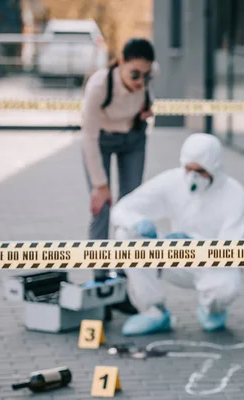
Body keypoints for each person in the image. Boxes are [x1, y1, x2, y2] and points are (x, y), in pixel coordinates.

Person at [109, 133, 244, 336]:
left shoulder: (235, 195)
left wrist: (193, 242)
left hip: (213, 265)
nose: (193, 177)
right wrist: (137, 222)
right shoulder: (172, 181)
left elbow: (229, 248)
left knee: (227, 286)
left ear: (215, 168)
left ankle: (213, 310)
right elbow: (123, 209)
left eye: (200, 171)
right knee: (126, 235)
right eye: (189, 169)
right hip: (175, 257)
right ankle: (153, 310)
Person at [81, 38, 157, 314]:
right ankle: (100, 286)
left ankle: (122, 288)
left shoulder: (148, 74)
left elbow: (149, 94)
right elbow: (87, 137)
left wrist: (148, 107)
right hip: (99, 141)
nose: (141, 80)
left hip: (133, 140)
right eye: (134, 74)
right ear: (121, 63)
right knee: (102, 211)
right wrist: (100, 185)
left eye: (146, 75)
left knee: (129, 212)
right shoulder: (100, 86)